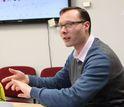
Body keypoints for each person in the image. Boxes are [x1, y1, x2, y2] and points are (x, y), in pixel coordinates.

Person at [2, 7, 124, 107]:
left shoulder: (100, 59)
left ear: (86, 26)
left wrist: (31, 91)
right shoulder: (76, 54)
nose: (63, 31)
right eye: (60, 26)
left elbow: (73, 98)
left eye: (69, 24)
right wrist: (28, 79)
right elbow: (58, 82)